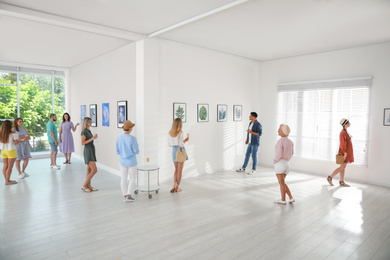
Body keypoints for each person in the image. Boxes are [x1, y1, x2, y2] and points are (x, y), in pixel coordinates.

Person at [116, 120, 139, 201]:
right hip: (132, 161)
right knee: (133, 178)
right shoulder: (133, 139)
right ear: (130, 128)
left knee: (123, 178)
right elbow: (136, 151)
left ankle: (125, 195)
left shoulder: (119, 138)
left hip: (122, 162)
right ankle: (129, 195)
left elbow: (117, 151)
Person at [327, 118, 354, 187]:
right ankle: (330, 177)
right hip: (344, 152)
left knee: (342, 167)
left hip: (347, 152)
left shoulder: (345, 131)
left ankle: (341, 182)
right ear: (345, 124)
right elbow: (342, 144)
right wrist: (345, 153)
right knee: (342, 167)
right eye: (348, 122)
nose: (350, 123)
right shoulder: (342, 132)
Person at [274, 124, 295, 205]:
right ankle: (291, 198)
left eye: (279, 129)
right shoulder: (290, 142)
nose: (278, 130)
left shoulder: (280, 141)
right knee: (282, 182)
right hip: (286, 164)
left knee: (281, 183)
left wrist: (275, 161)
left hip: (280, 163)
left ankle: (283, 200)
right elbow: (292, 153)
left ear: (282, 132)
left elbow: (278, 154)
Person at [168, 118, 189, 192]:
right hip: (180, 150)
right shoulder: (181, 133)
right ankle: (177, 187)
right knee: (180, 171)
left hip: (174, 151)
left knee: (176, 170)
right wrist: (185, 141)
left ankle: (174, 186)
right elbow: (181, 144)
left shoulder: (170, 133)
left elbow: (170, 144)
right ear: (180, 124)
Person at [81, 117, 98, 192]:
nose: (90, 123)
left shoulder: (88, 131)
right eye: (89, 122)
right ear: (86, 123)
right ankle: (84, 185)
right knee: (94, 170)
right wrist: (92, 139)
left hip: (91, 149)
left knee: (89, 169)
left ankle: (89, 186)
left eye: (91, 122)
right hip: (88, 151)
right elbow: (83, 142)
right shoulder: (84, 132)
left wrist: (94, 138)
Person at [0, 120, 19, 185]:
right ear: (10, 126)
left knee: (5, 166)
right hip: (11, 151)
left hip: (3, 151)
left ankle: (7, 180)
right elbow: (16, 143)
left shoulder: (1, 133)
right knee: (10, 167)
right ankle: (7, 181)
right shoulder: (13, 133)